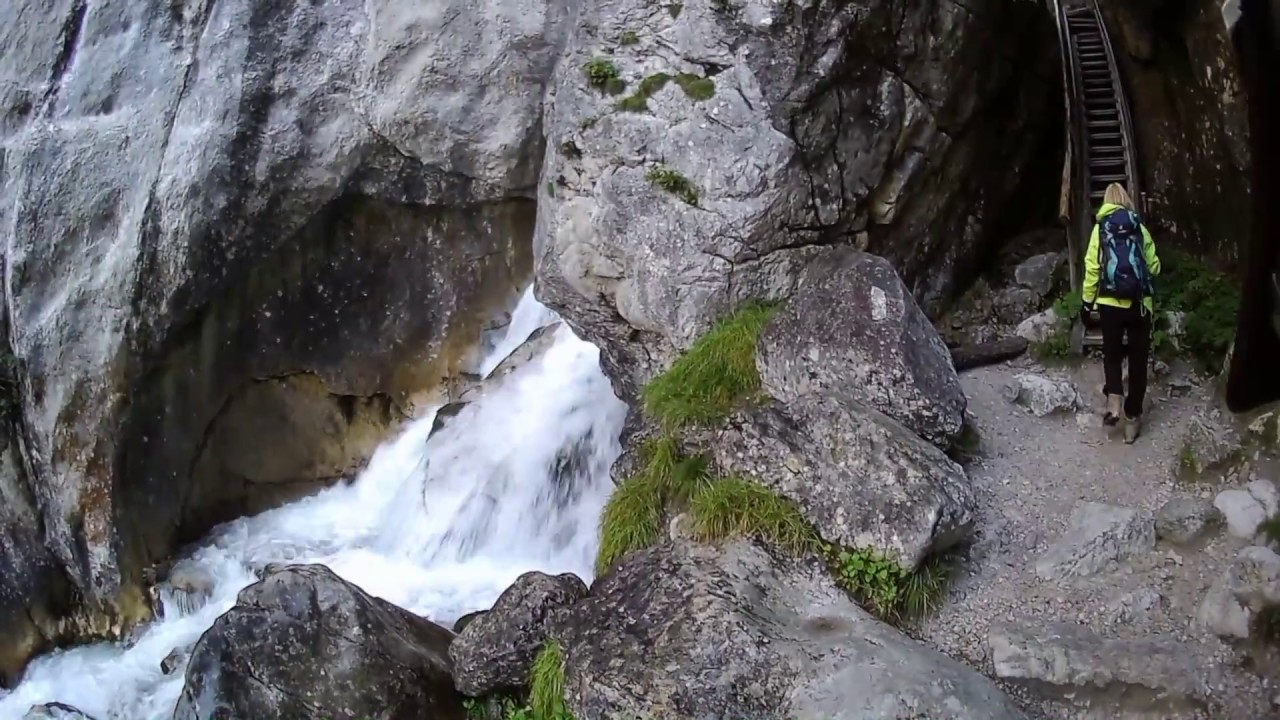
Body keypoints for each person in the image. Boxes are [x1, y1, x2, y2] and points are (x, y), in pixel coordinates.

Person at [1080, 182, 1161, 444]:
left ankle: (1114, 395)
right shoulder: (1139, 228)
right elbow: (1154, 267)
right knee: (1138, 361)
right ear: (1126, 199)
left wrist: (1087, 303)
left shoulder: (1099, 229)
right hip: (1139, 304)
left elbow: (1092, 268)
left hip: (1109, 303)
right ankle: (1132, 419)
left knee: (1112, 353)